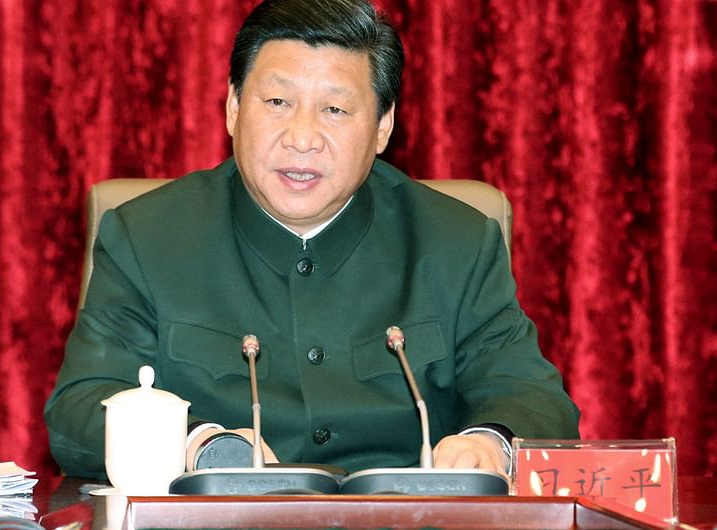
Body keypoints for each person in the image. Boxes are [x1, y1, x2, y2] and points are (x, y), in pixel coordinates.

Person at [44, 0, 579, 480]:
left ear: (383, 127)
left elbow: (533, 399)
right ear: (233, 107)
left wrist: (488, 444)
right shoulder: (147, 237)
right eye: (278, 101)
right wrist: (199, 446)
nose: (301, 138)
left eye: (335, 110)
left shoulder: (457, 243)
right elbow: (80, 409)